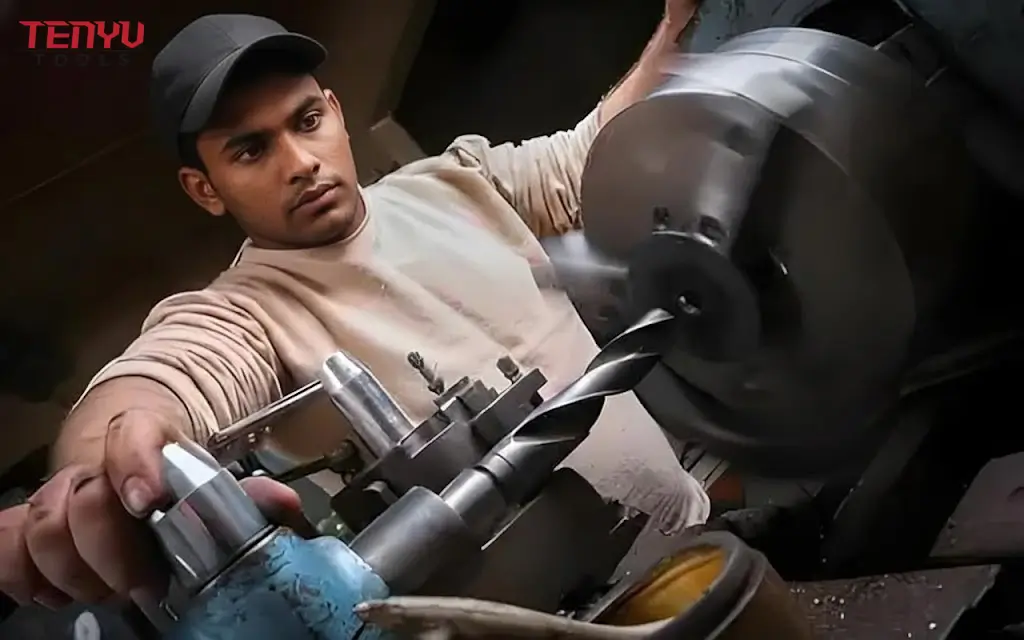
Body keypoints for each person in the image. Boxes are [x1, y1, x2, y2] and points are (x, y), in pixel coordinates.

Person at [0, 5, 708, 610]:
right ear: (204, 188)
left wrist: (677, 27)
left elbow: (585, 158)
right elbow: (166, 379)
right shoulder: (252, 314)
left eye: (306, 121)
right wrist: (99, 472)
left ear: (336, 114)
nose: (300, 162)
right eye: (251, 150)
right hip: (568, 618)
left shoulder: (453, 182)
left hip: (697, 539)